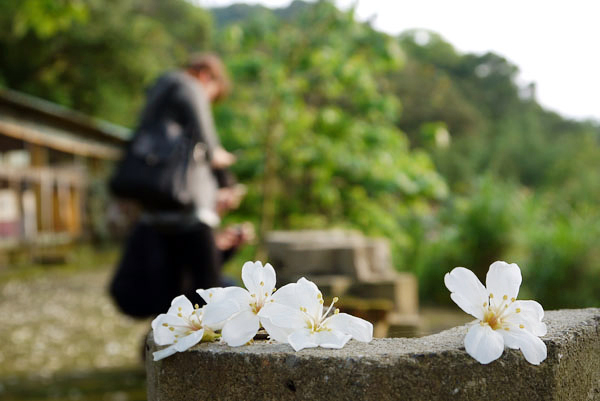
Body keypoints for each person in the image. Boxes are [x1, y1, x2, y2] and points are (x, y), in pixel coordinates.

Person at [110, 53, 252, 318]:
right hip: (191, 211)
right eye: (212, 95)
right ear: (206, 76)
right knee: (209, 290)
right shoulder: (186, 84)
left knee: (172, 298)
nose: (207, 101)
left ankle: (167, 349)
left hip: (160, 210)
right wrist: (224, 164)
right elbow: (211, 147)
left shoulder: (158, 94)